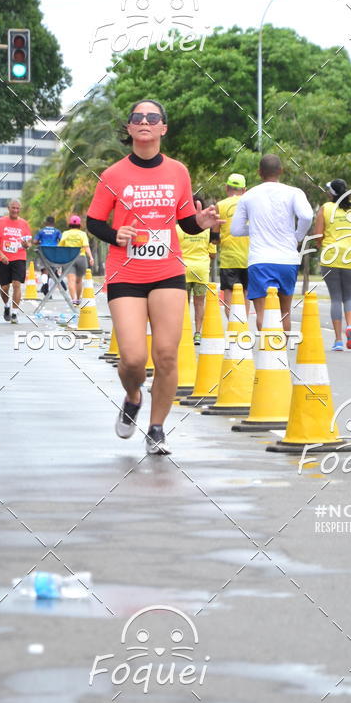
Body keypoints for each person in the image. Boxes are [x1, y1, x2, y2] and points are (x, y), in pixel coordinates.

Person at [87, 98, 222, 455]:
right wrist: (116, 235)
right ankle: (133, 397)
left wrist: (201, 222)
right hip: (126, 274)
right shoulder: (114, 175)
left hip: (167, 272)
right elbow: (94, 222)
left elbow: (185, 220)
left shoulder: (178, 171)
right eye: (138, 117)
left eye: (153, 117)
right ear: (129, 128)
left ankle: (157, 428)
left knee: (166, 354)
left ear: (163, 127)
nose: (145, 121)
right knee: (132, 358)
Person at [231, 154, 313, 332]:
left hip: (260, 261)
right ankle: (282, 353)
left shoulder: (248, 196)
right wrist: (297, 236)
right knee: (285, 313)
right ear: (281, 171)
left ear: (259, 172)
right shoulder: (294, 193)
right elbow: (307, 216)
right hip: (287, 259)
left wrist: (255, 229)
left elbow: (235, 230)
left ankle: (267, 353)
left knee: (263, 314)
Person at [314, 179, 351, 351]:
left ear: (331, 193)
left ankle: (338, 340)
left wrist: (321, 244)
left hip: (330, 257)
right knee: (349, 297)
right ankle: (350, 325)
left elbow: (318, 235)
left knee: (335, 298)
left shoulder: (325, 209)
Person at [176, 197, 218, 344]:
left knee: (183, 303)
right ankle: (198, 333)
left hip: (183, 270)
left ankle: (184, 332)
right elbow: (213, 254)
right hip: (201, 271)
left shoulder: (177, 228)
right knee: (199, 303)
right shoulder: (207, 229)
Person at [0, 199, 32, 324]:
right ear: (8, 208)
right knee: (4, 287)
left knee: (16, 284)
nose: (15, 210)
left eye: (17, 208)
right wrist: (1, 255)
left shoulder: (24, 224)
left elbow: (28, 243)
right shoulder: (0, 222)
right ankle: (7, 306)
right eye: (13, 208)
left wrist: (26, 245)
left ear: (20, 209)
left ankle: (14, 313)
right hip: (2, 259)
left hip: (19, 257)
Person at [216, 173, 250, 317]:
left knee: (229, 295)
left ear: (226, 188)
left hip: (228, 258)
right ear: (244, 190)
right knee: (246, 295)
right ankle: (243, 328)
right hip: (249, 258)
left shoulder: (220, 205)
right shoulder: (250, 204)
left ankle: (232, 328)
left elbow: (214, 237)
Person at [58, 215, 94, 304]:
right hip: (81, 258)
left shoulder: (65, 233)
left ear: (70, 224)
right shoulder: (82, 234)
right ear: (79, 224)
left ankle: (73, 299)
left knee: (71, 280)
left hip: (69, 259)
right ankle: (78, 299)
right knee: (79, 281)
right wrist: (91, 257)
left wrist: (60, 260)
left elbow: (60, 247)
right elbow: (86, 246)